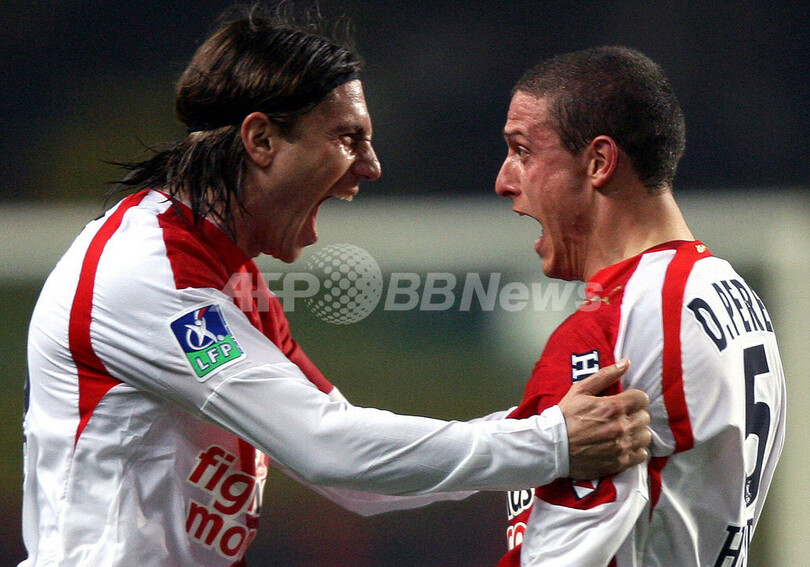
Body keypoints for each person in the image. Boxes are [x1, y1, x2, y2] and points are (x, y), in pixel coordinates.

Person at [19, 9, 653, 567]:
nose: (370, 167)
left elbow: (355, 475)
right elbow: (329, 450)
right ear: (261, 139)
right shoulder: (146, 277)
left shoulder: (228, 279)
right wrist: (551, 440)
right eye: (349, 139)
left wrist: (545, 426)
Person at [494, 46, 786, 566]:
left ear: (599, 163)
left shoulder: (610, 327)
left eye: (522, 151)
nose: (504, 181)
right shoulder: (731, 292)